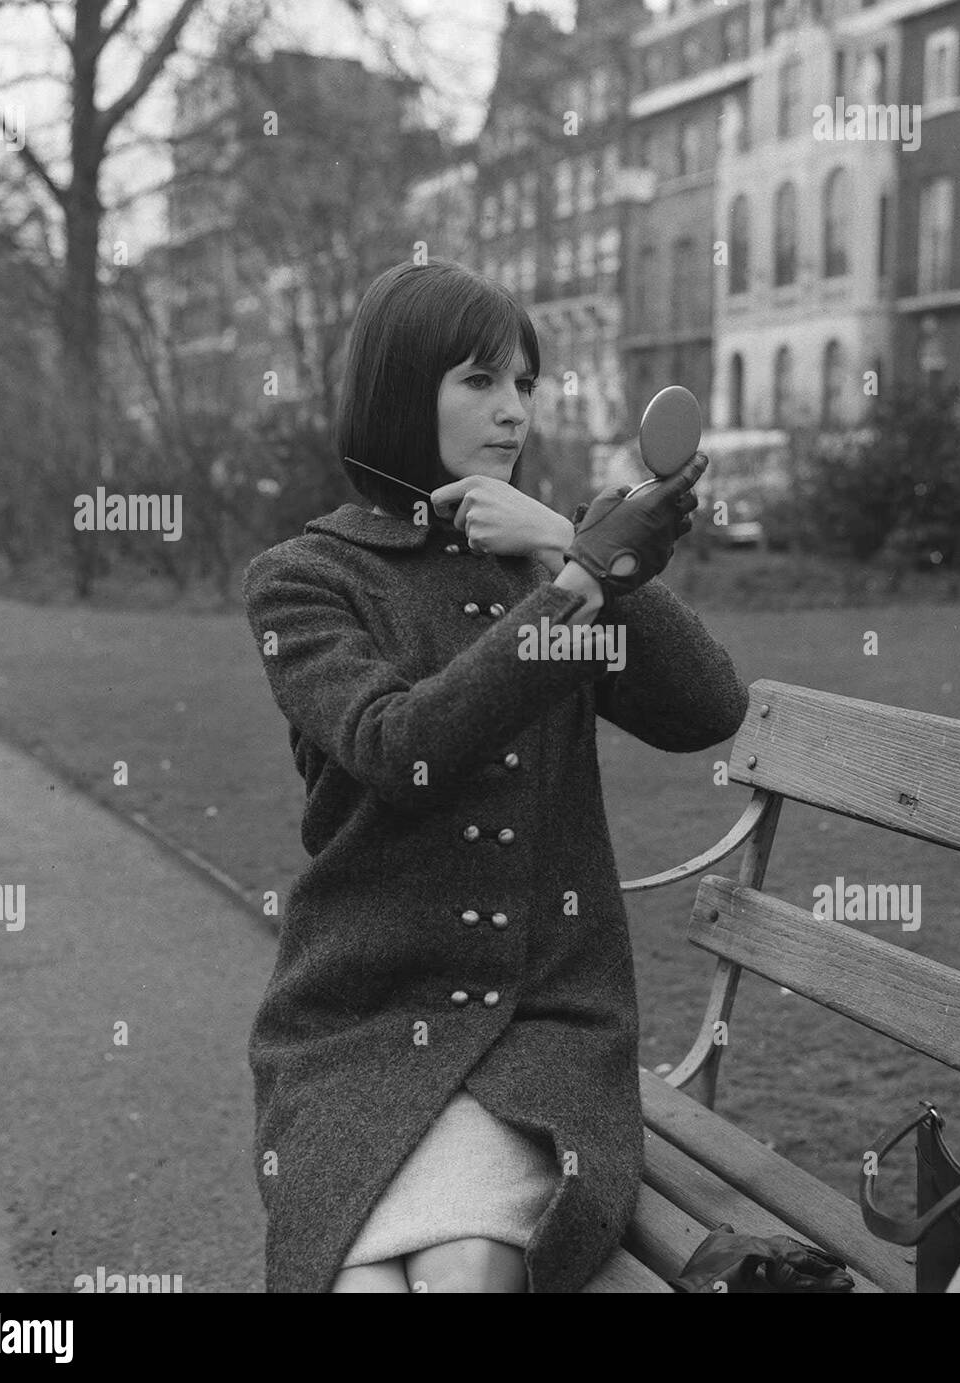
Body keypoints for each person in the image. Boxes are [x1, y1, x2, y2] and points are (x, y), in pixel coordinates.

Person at [243, 258, 749, 1293]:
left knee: (470, 1264)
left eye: (524, 383)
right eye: (479, 382)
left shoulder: (541, 557)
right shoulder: (305, 580)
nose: (513, 410)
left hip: (544, 1027)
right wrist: (579, 581)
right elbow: (401, 748)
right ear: (397, 389)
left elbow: (705, 711)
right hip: (360, 1019)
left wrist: (577, 548)